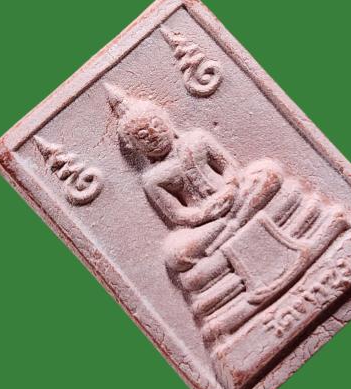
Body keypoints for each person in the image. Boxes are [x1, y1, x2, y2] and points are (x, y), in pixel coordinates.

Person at [107, 84, 285, 274]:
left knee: (269, 172)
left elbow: (229, 167)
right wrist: (203, 213)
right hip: (208, 223)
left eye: (156, 125)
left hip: (235, 197)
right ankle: (236, 222)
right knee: (175, 255)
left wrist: (231, 187)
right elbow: (177, 214)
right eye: (142, 136)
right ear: (135, 147)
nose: (153, 135)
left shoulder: (197, 139)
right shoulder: (152, 179)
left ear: (166, 120)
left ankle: (230, 229)